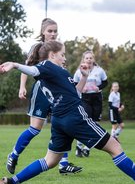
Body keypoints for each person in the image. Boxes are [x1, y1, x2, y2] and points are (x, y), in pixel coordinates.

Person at [0, 40, 135, 184]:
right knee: (115, 148)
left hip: (59, 120)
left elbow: (75, 93)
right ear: (53, 55)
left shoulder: (59, 72)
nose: (65, 58)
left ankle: (12, 181)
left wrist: (83, 77)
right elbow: (34, 70)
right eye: (62, 54)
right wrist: (14, 65)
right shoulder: (47, 66)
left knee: (50, 161)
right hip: (75, 117)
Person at [6, 18, 82, 175]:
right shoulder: (37, 47)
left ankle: (63, 163)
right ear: (43, 32)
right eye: (50, 31)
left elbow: (62, 68)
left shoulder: (60, 47)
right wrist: (22, 87)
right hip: (41, 91)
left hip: (58, 92)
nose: (53, 34)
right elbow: (27, 68)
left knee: (62, 124)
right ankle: (13, 155)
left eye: (55, 31)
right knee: (35, 129)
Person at [73, 51, 108, 157]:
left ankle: (87, 148)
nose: (89, 60)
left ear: (93, 59)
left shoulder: (99, 70)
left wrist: (99, 87)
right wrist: (81, 88)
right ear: (83, 59)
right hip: (84, 98)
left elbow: (105, 82)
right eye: (87, 58)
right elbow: (74, 83)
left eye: (90, 58)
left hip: (97, 98)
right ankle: (79, 147)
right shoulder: (79, 71)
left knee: (95, 122)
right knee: (86, 122)